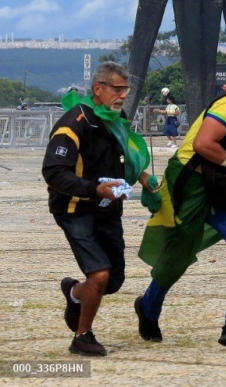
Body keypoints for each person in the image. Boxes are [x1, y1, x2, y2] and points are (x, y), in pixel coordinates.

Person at [135, 65, 226, 347]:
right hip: (188, 186)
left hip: (218, 189)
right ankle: (148, 306)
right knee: (177, 256)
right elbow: (202, 143)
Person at [42, 61, 156, 356]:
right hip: (74, 209)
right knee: (100, 274)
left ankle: (74, 292)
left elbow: (127, 154)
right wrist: (94, 189)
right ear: (98, 89)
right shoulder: (74, 123)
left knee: (114, 280)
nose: (122, 96)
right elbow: (54, 172)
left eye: (125, 90)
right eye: (117, 89)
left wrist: (144, 178)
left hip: (108, 207)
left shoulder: (116, 117)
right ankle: (83, 336)